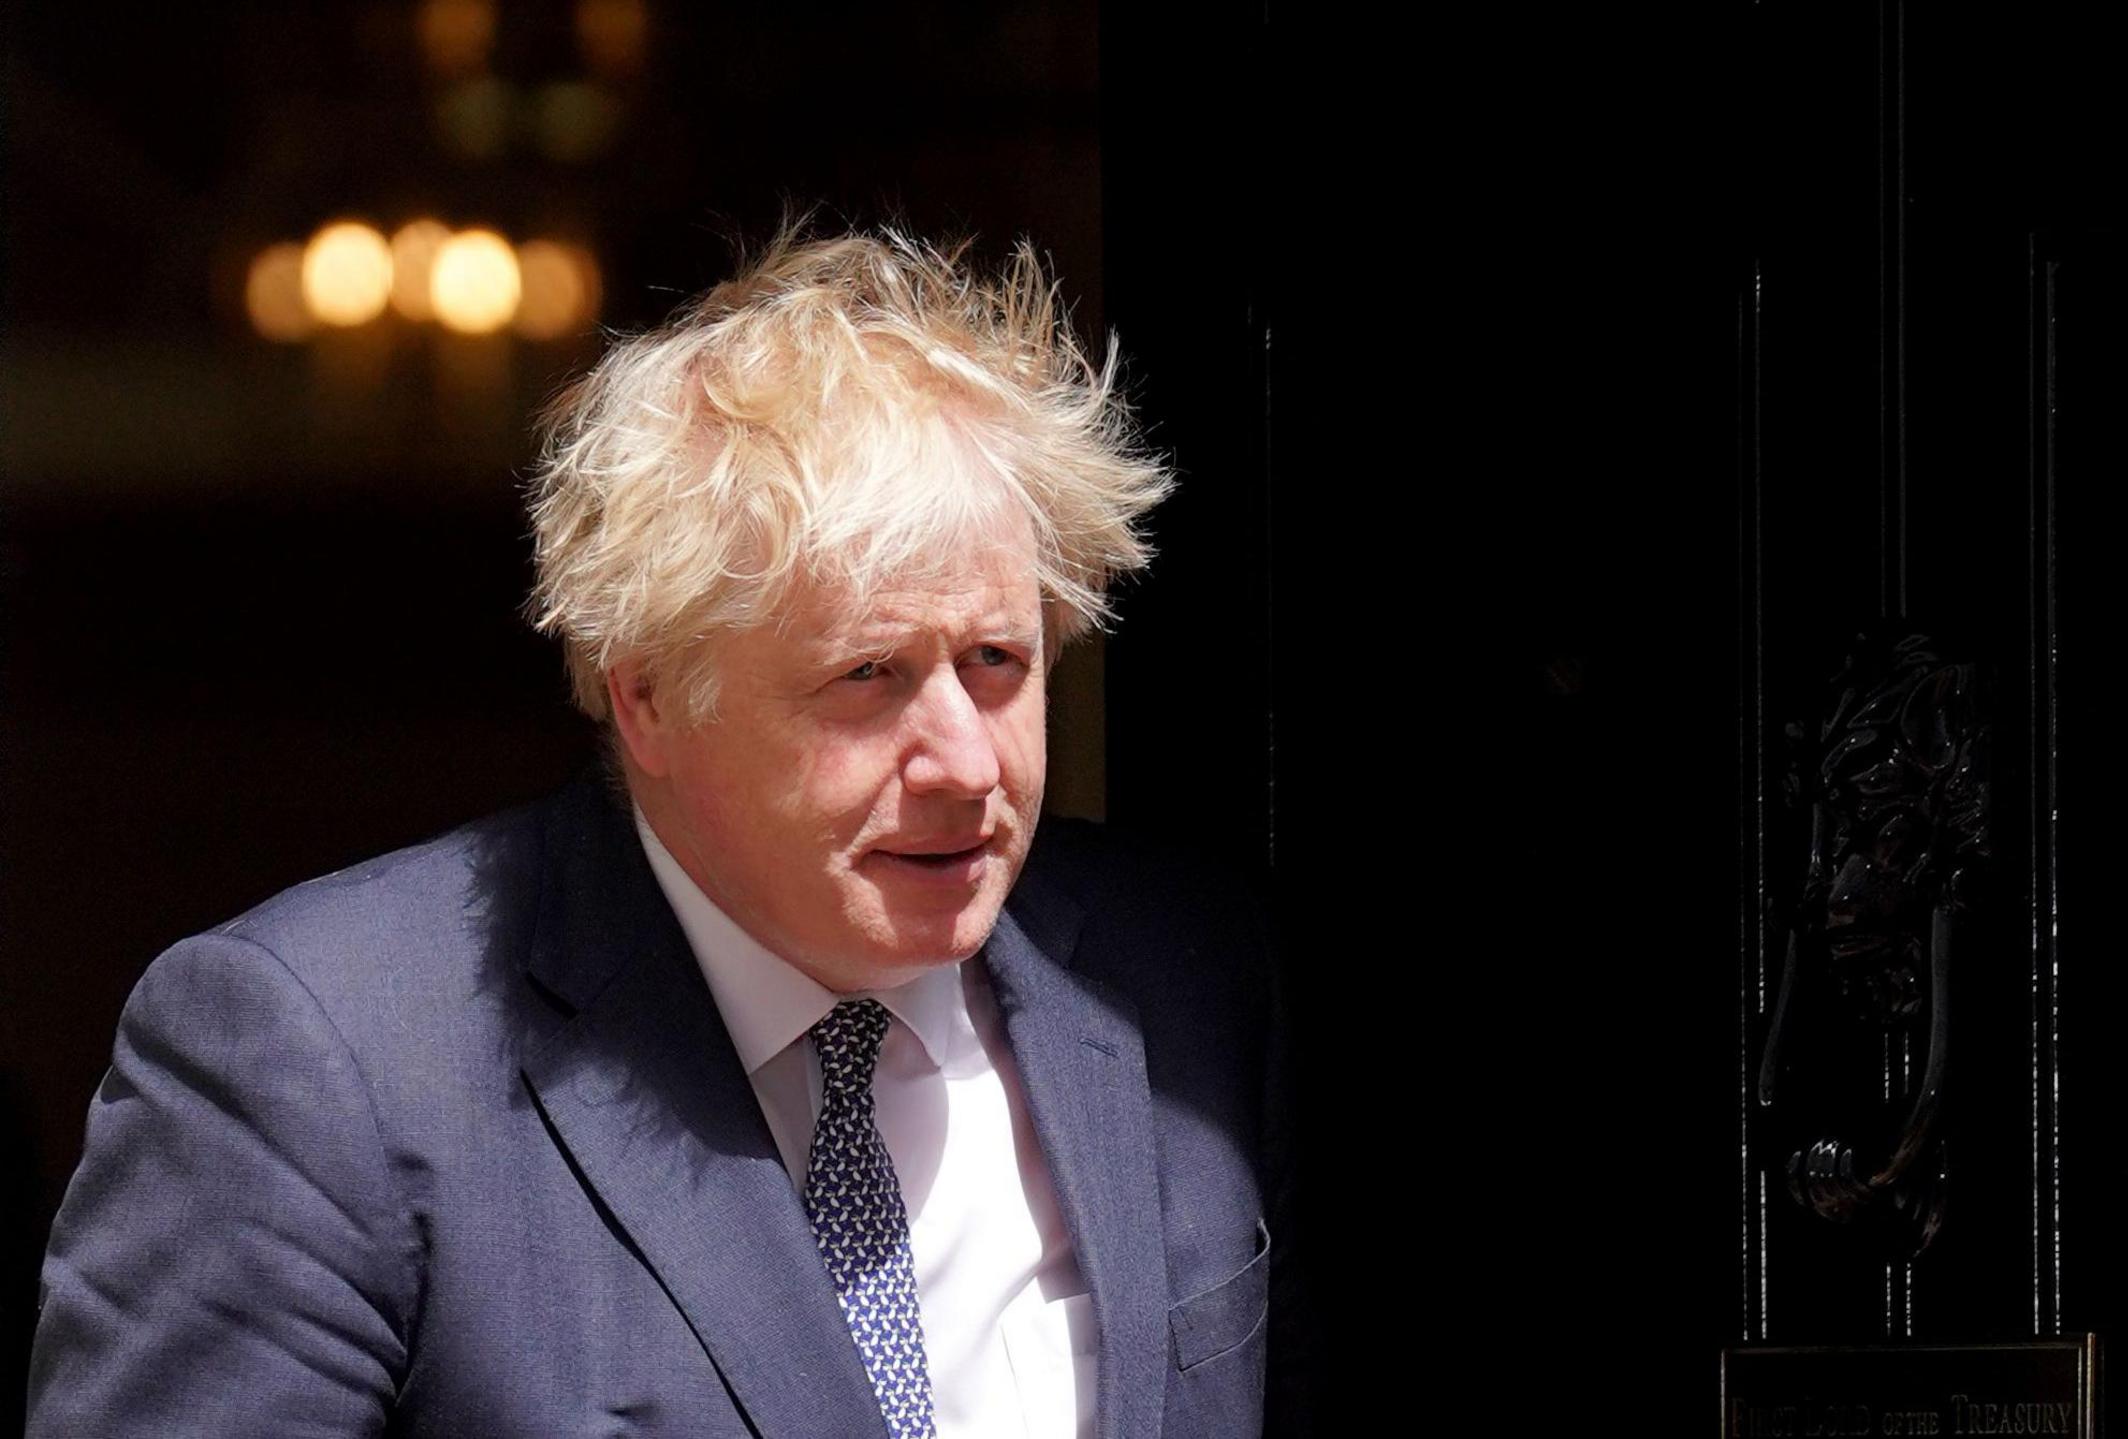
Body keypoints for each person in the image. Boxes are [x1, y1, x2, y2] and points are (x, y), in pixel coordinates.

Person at [27, 227, 1296, 1437]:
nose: (968, 761)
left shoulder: (1183, 977)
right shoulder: (317, 1067)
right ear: (648, 694)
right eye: (868, 676)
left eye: (999, 661)